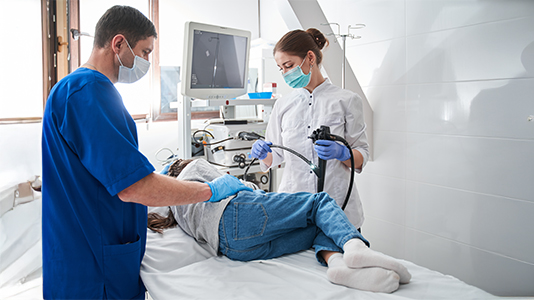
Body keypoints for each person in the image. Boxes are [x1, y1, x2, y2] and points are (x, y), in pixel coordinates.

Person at [41, 6, 251, 300]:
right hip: (94, 269)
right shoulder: (88, 93)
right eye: (145, 52)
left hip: (96, 254)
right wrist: (208, 191)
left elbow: (108, 170)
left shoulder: (75, 89)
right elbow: (133, 187)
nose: (148, 62)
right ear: (118, 44)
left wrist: (156, 177)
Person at [149, 158, 411, 293]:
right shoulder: (192, 167)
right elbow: (232, 184)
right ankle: (356, 249)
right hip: (237, 213)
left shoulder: (175, 210)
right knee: (319, 203)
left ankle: (337, 265)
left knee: (319, 228)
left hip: (235, 248)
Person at [250, 28, 369, 228]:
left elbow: (362, 155)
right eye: (281, 68)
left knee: (341, 258)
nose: (285, 73)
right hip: (294, 207)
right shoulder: (283, 105)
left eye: (289, 65)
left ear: (310, 58)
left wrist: (343, 152)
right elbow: (274, 158)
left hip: (339, 207)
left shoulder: (347, 100)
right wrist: (262, 152)